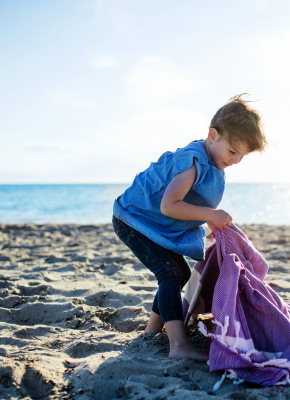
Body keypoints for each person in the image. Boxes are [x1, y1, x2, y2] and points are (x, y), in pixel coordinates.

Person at [112, 93, 268, 361]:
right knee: (170, 273)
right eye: (232, 152)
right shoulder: (192, 161)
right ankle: (178, 345)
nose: (235, 160)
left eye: (241, 156)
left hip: (157, 226)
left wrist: (209, 220)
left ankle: (151, 330)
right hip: (134, 220)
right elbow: (169, 206)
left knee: (180, 274)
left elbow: (196, 198)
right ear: (213, 135)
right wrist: (210, 213)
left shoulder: (215, 162)